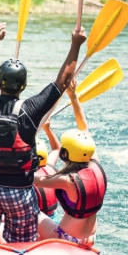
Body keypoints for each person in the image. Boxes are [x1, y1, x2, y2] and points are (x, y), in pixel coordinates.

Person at [0, 21, 86, 243]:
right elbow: (63, 81)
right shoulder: (31, 109)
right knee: (22, 243)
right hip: (19, 191)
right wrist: (76, 45)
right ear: (23, 86)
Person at [35, 80, 107, 245]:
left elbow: (34, 179)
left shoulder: (67, 180)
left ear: (65, 153)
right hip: (90, 238)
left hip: (67, 238)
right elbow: (84, 129)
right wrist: (74, 97)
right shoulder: (96, 164)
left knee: (34, 211)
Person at [34, 120, 60, 218]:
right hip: (53, 218)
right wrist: (47, 129)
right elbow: (56, 149)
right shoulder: (49, 167)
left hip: (34, 219)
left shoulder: (21, 175)